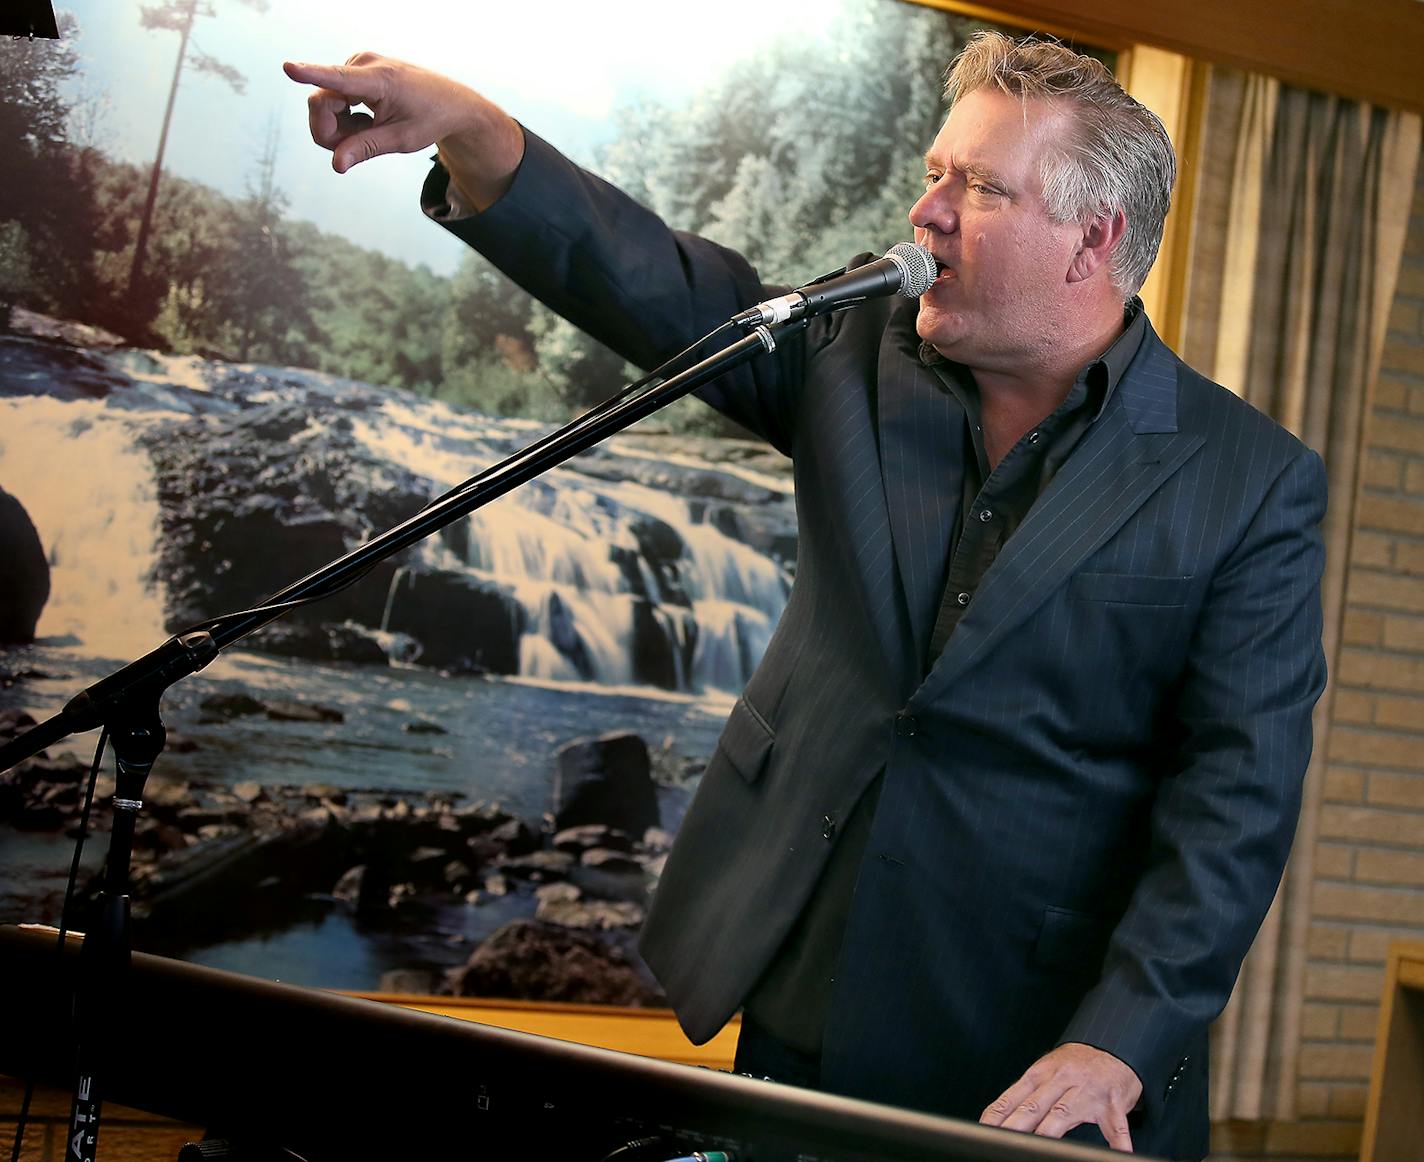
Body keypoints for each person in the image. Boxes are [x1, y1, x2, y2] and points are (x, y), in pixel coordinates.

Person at [286, 32, 1326, 1159]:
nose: (925, 214)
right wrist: (478, 140)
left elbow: (1233, 804)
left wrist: (1120, 1039)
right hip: (803, 992)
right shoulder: (852, 349)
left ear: (1093, 239)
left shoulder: (1248, 479)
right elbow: (667, 286)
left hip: (1038, 1056)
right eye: (935, 171)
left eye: (976, 187)